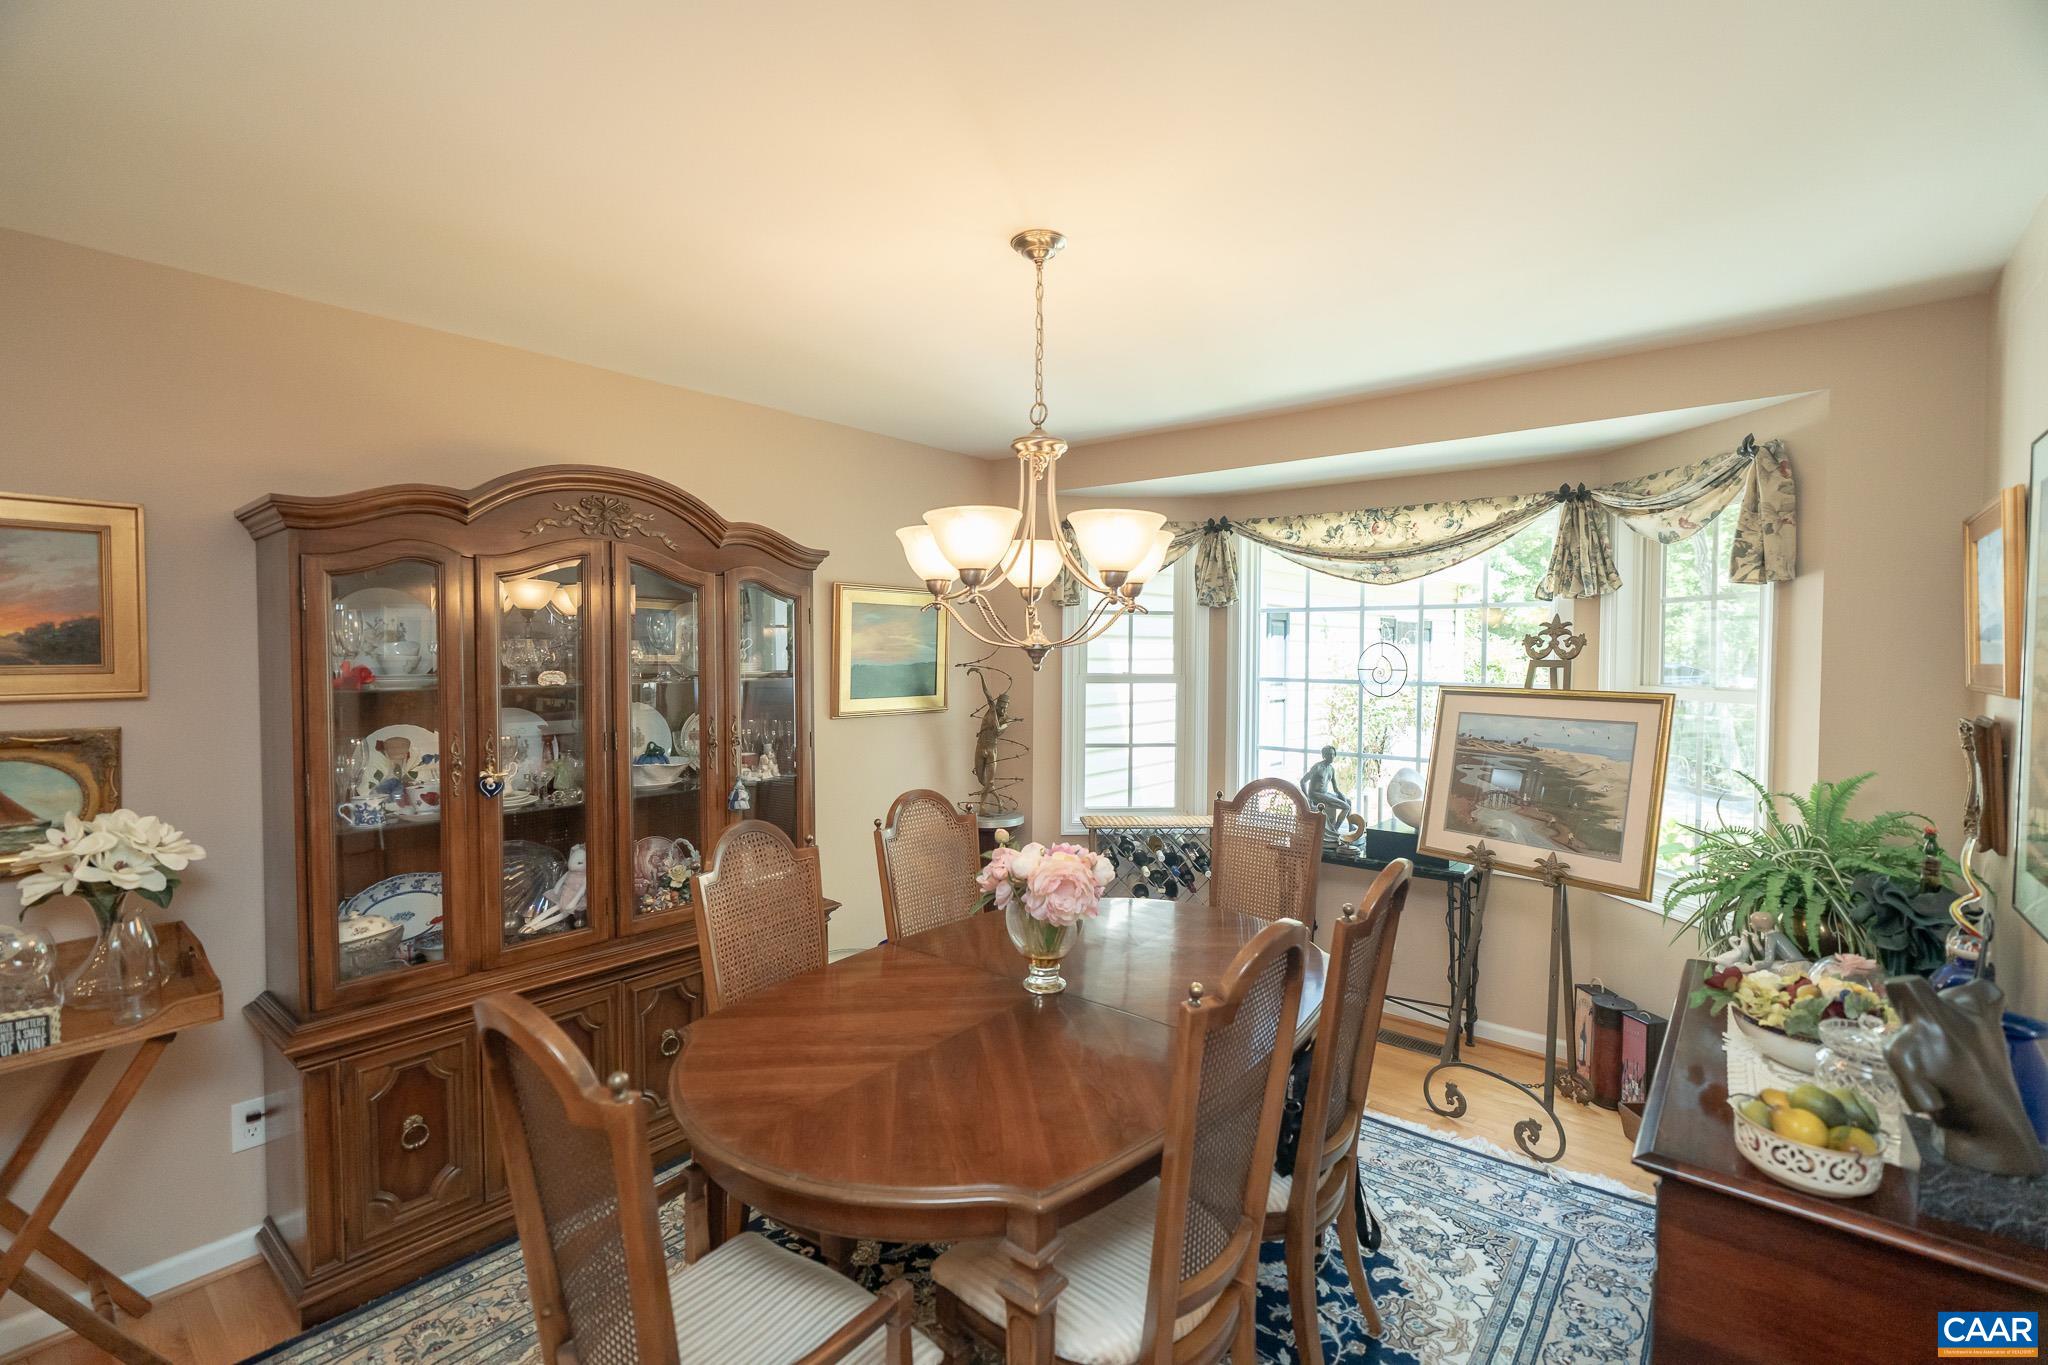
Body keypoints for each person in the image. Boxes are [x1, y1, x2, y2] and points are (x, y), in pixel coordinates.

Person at [1300, 745, 1352, 842]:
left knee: (1348, 802)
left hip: (1325, 794)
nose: (1331, 756)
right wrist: (1306, 798)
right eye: (1328, 754)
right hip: (1315, 794)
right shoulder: (1317, 767)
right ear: (1324, 755)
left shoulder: (1331, 769)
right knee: (1346, 807)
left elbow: (1336, 789)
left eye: (1333, 754)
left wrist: (1343, 797)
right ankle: (1335, 831)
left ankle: (1351, 826)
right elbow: (1303, 781)